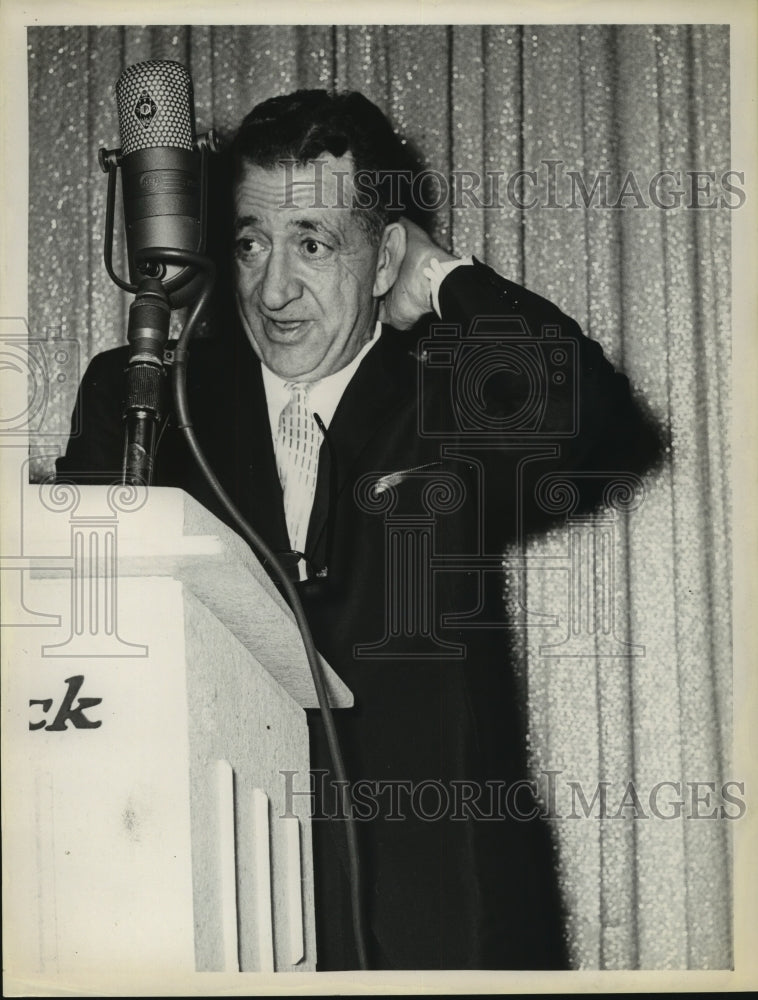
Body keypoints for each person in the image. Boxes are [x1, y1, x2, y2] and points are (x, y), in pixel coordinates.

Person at [56, 89, 661, 970]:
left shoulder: (447, 386)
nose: (273, 288)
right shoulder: (146, 395)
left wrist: (445, 279)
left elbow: (593, 416)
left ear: (381, 258)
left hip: (438, 908)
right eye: (252, 242)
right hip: (212, 896)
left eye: (312, 243)